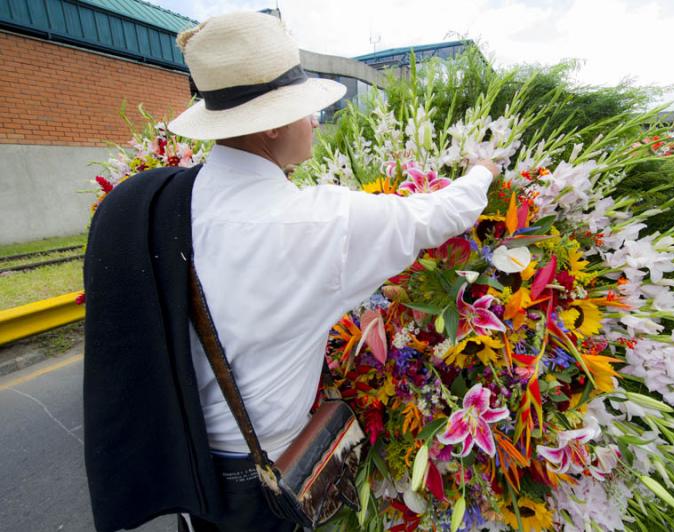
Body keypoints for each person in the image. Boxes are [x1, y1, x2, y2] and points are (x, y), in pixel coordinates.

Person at [82, 11, 499, 532]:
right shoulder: (322, 222)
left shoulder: (161, 201)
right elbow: (438, 216)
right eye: (306, 111)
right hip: (265, 478)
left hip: (188, 469)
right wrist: (483, 171)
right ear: (274, 123)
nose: (316, 123)